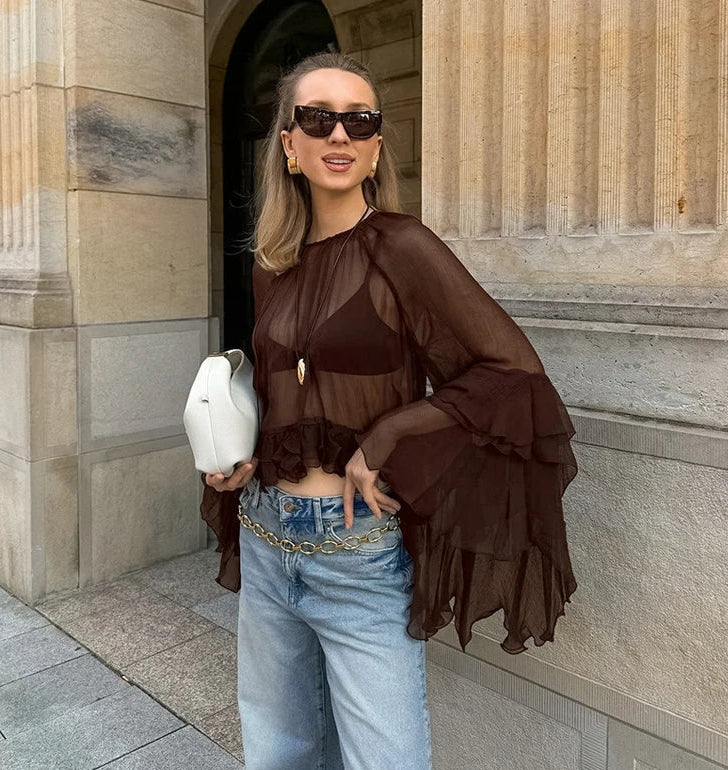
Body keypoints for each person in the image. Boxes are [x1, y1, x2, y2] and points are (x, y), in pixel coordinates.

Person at [200, 51, 578, 770]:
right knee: (278, 754)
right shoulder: (271, 263)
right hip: (265, 532)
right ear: (289, 144)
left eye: (358, 121)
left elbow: (514, 371)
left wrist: (391, 431)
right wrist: (241, 454)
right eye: (318, 118)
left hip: (355, 551)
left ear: (374, 147)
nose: (338, 135)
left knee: (388, 760)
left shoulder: (401, 246)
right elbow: (284, 391)